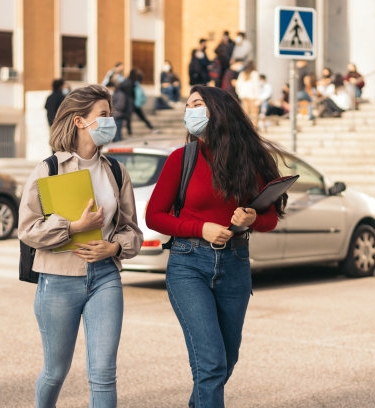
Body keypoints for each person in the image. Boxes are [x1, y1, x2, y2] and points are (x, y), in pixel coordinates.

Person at [145, 85, 287, 408]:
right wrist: (200, 228)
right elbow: (154, 216)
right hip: (188, 265)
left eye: (197, 104)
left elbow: (271, 218)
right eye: (187, 105)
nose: (189, 111)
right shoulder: (182, 159)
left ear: (218, 110)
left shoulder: (250, 160)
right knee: (210, 365)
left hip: (235, 264)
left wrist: (252, 219)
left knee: (226, 361)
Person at [18, 84, 143, 408]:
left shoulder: (115, 171)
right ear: (79, 121)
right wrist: (74, 227)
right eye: (103, 115)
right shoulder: (48, 169)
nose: (109, 121)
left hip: (105, 278)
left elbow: (132, 231)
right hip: (58, 280)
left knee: (103, 373)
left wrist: (114, 248)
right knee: (55, 371)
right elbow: (28, 229)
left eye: (110, 115)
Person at [120, 68, 154, 135]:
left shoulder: (127, 82)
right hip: (130, 103)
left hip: (130, 103)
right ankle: (150, 127)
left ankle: (130, 132)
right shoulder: (131, 83)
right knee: (132, 117)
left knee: (130, 118)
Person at [235, 60, 260, 126]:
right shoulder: (254, 73)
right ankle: (254, 128)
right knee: (254, 114)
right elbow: (256, 86)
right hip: (253, 97)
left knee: (245, 114)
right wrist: (258, 98)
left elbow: (238, 85)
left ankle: (246, 128)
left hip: (244, 96)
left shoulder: (242, 73)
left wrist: (239, 94)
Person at [106, 77, 129, 142]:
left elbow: (120, 106)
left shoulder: (120, 94)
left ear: (113, 87)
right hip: (114, 116)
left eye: (109, 88)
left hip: (118, 116)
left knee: (117, 134)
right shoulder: (113, 94)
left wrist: (110, 109)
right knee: (114, 134)